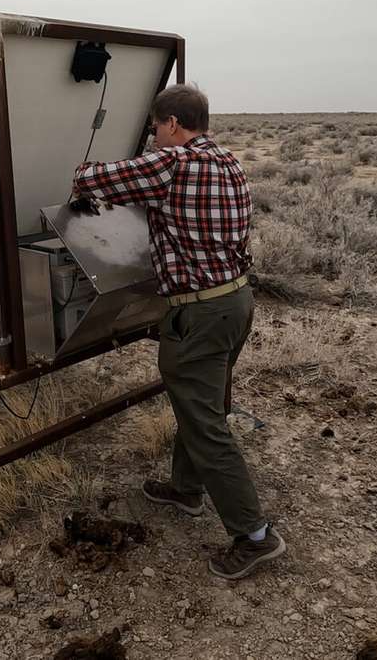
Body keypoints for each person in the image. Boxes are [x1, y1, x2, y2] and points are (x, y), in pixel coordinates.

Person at [70, 83, 285, 579]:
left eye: (155, 128)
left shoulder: (172, 164)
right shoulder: (228, 161)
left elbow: (90, 176)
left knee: (205, 420)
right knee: (203, 403)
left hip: (201, 312)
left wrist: (98, 177)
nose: (153, 136)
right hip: (235, 300)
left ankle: (254, 535)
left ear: (170, 124)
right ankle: (186, 490)